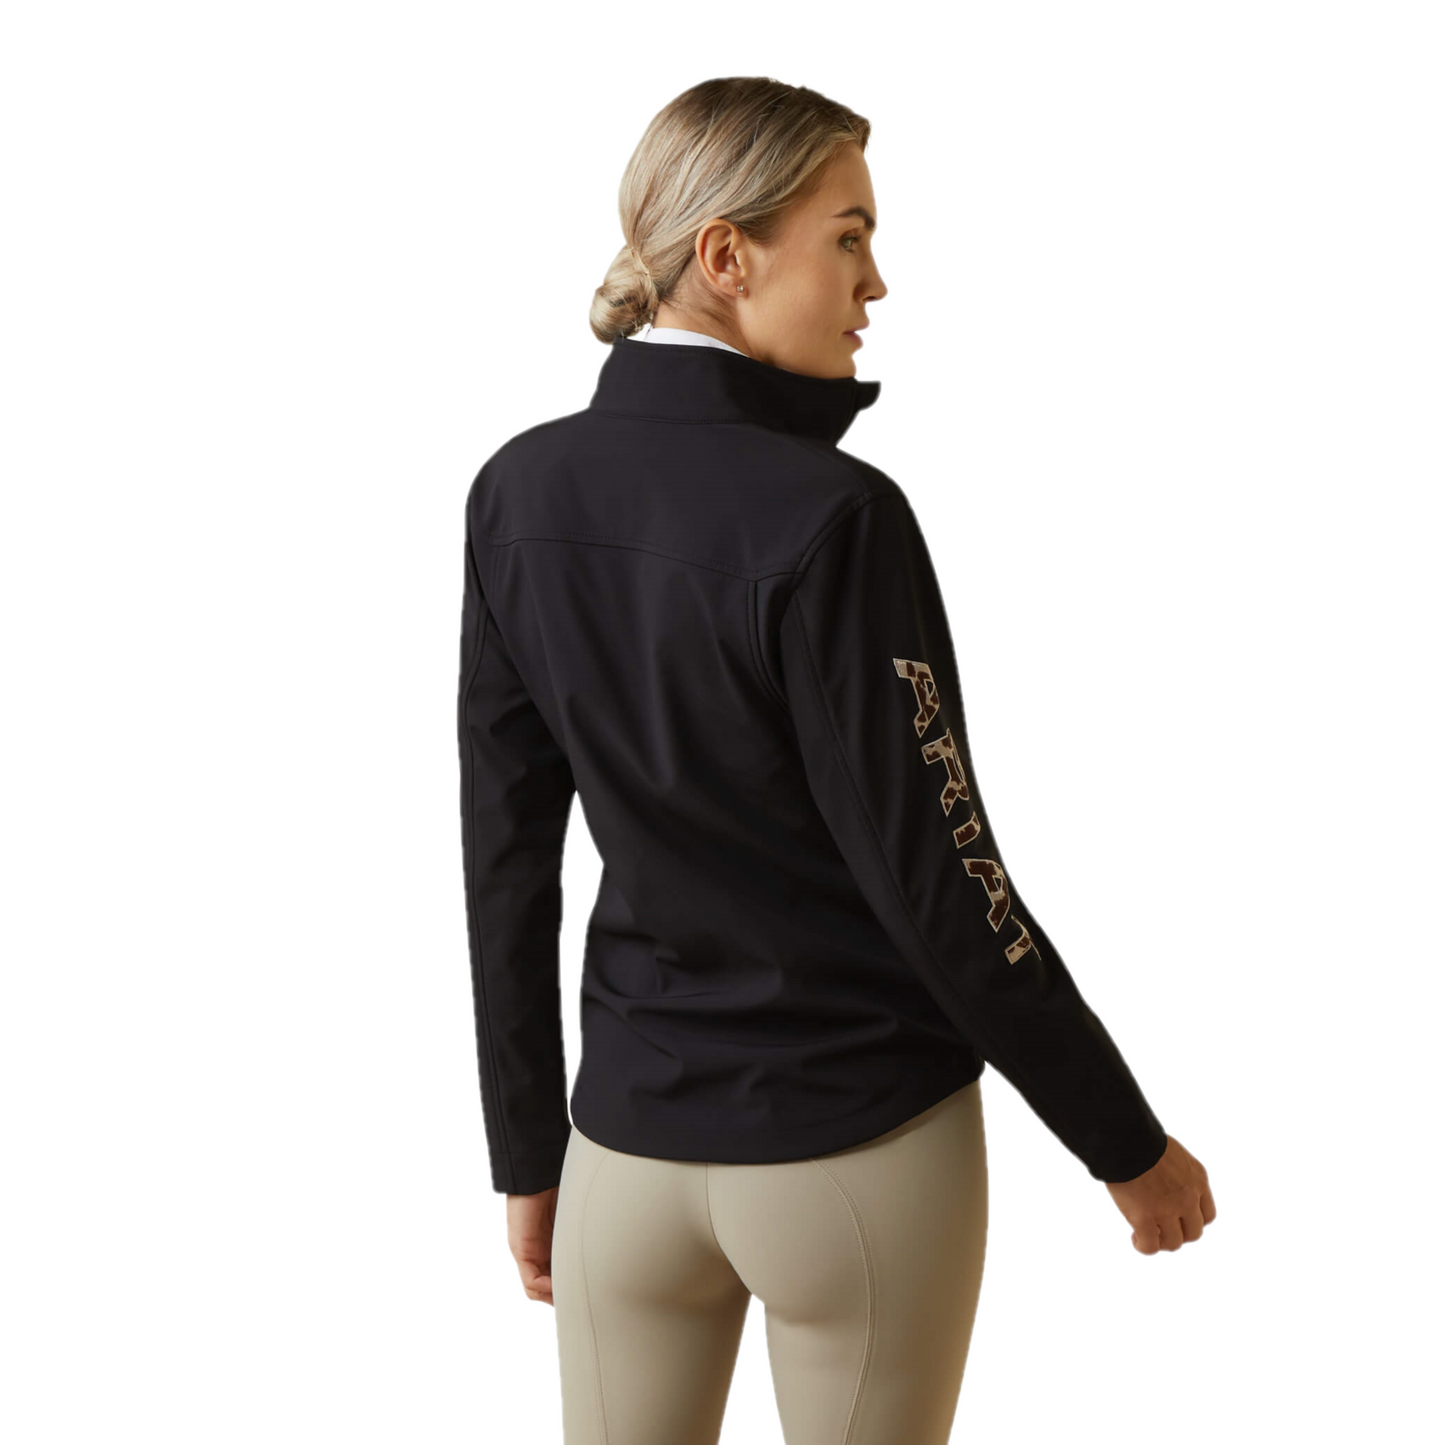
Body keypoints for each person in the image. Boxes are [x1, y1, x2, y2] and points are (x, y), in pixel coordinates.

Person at [457, 75, 1215, 1445]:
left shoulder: (518, 490)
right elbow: (945, 878)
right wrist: (1124, 1143)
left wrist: (527, 1149)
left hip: (622, 1159)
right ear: (727, 256)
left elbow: (504, 854)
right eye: (849, 236)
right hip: (854, 1152)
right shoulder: (836, 515)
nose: (877, 282)